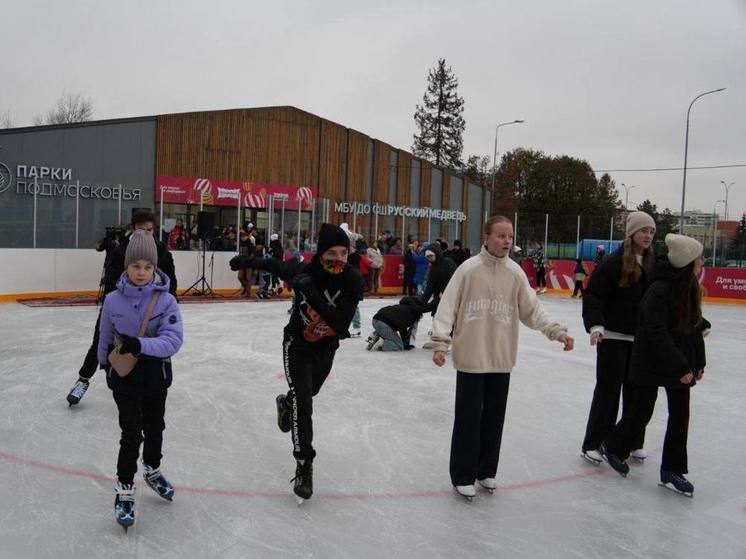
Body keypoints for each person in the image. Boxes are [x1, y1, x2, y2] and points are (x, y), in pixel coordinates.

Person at [431, 215, 574, 499]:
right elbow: (447, 307)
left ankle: (486, 471)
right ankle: (463, 474)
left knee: (494, 418)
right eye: (500, 235)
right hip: (471, 357)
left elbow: (533, 311)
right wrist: (440, 343)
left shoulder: (515, 273)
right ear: (486, 237)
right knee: (468, 420)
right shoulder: (468, 270)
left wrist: (557, 332)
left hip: (500, 358)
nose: (506, 241)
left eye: (509, 236)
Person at [229, 223, 364, 503]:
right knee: (305, 401)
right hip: (297, 346)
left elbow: (340, 325)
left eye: (343, 253)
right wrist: (246, 261)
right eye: (332, 253)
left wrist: (312, 295)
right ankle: (304, 464)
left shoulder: (351, 279)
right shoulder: (304, 271)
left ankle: (285, 403)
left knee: (307, 394)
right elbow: (274, 264)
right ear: (320, 253)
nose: (338, 259)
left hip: (326, 347)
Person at [600, 234, 706, 497]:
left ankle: (672, 470)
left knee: (681, 416)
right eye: (698, 259)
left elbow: (694, 326)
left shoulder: (689, 286)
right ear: (686, 262)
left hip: (677, 361)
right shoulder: (659, 289)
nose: (702, 263)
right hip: (651, 359)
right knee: (641, 411)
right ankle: (613, 446)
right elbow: (656, 333)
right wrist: (682, 366)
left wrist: (698, 362)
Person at [97, 230, 184, 528]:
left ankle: (153, 469)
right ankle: (124, 488)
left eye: (148, 267)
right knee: (131, 434)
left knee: (155, 428)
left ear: (155, 268)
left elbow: (173, 341)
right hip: (124, 378)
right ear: (126, 266)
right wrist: (102, 363)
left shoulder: (167, 301)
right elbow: (105, 335)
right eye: (136, 266)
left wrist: (140, 344)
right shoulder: (111, 300)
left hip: (156, 376)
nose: (141, 273)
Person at [66, 210, 178, 407]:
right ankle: (83, 379)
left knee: (150, 346)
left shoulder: (161, 251)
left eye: (149, 230)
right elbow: (111, 284)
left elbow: (171, 283)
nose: (145, 234)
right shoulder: (121, 252)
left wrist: (169, 306)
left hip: (152, 311)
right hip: (120, 308)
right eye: (141, 230)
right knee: (100, 341)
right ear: (133, 229)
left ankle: (147, 390)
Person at [580, 211, 656, 465]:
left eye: (651, 232)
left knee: (637, 395)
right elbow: (593, 295)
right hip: (613, 337)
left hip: (641, 342)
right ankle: (593, 442)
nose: (647, 236)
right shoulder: (612, 263)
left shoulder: (654, 264)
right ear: (632, 233)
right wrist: (596, 325)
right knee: (608, 392)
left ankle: (632, 440)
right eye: (643, 230)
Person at [367, 296, 433, 351]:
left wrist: (405, 343)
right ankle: (380, 343)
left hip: (377, 320)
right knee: (399, 346)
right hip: (383, 324)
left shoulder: (403, 308)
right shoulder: (413, 312)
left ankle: (376, 334)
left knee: (398, 342)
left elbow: (402, 328)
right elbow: (427, 308)